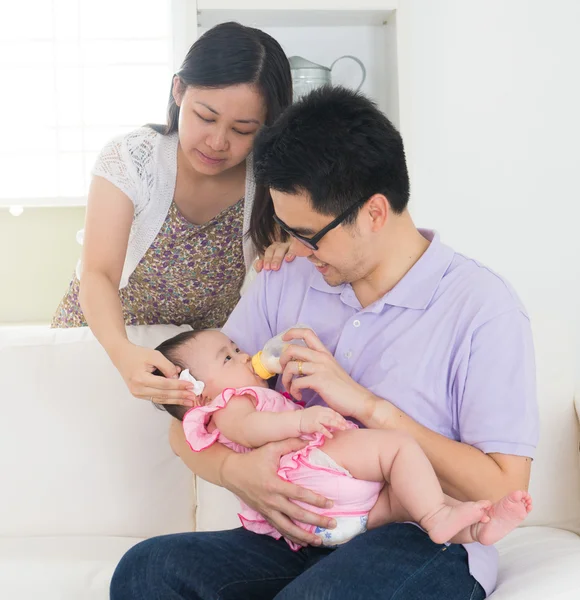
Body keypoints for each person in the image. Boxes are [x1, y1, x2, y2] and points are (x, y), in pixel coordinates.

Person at [110, 87, 539, 600]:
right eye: (287, 229)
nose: (298, 248)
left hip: (419, 536)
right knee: (146, 572)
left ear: (374, 212)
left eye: (310, 233)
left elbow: (501, 487)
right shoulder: (285, 275)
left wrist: (369, 407)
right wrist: (237, 471)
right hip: (296, 534)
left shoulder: (482, 308)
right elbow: (194, 420)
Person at [51, 22, 294, 406]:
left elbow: (295, 251)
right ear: (179, 90)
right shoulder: (131, 160)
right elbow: (98, 273)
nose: (218, 142)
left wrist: (288, 247)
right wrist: (122, 352)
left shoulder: (270, 181)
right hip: (108, 342)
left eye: (243, 129)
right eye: (206, 117)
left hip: (195, 370)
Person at [154, 328, 532, 551]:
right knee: (398, 450)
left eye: (236, 348)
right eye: (228, 358)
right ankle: (441, 516)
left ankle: (475, 527)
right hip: (307, 464)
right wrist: (303, 419)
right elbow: (250, 430)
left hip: (335, 521)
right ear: (197, 396)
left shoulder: (238, 395)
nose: (245, 356)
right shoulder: (228, 405)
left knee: (403, 496)